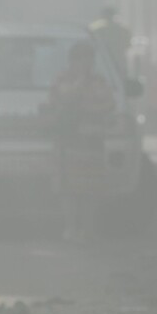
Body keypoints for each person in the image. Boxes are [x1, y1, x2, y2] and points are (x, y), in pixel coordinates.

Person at [45, 40, 115, 242]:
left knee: (91, 190)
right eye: (81, 60)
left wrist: (88, 108)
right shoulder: (61, 79)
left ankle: (88, 229)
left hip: (93, 144)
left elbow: (109, 103)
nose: (86, 64)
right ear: (72, 61)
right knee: (69, 190)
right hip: (69, 143)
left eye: (89, 60)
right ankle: (70, 229)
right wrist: (80, 85)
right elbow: (62, 98)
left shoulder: (99, 81)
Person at [89, 5, 131, 78]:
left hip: (102, 64)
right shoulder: (123, 30)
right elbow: (128, 45)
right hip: (118, 63)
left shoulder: (96, 30)